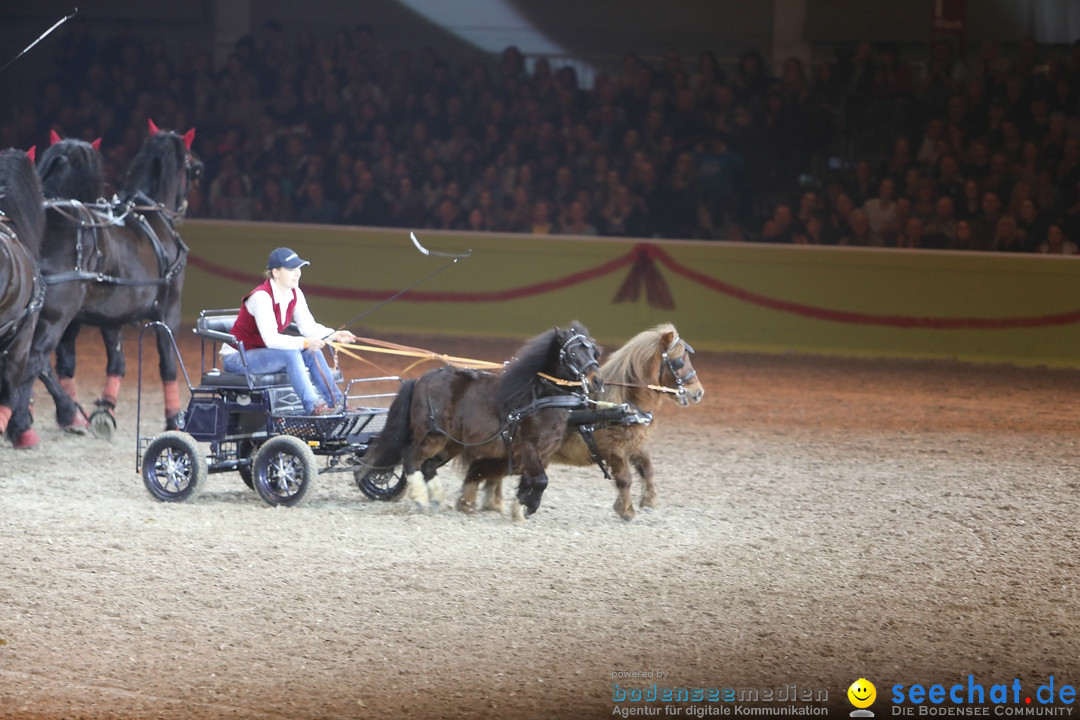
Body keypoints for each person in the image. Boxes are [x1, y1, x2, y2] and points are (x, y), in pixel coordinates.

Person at [221, 247, 357, 415]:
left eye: (299, 269)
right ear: (276, 273)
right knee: (291, 354)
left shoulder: (295, 293)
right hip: (238, 357)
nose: (298, 273)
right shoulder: (261, 297)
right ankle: (313, 406)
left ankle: (336, 402)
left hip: (266, 354)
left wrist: (333, 334)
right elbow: (271, 339)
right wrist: (306, 342)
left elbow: (308, 326)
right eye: (291, 269)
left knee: (309, 352)